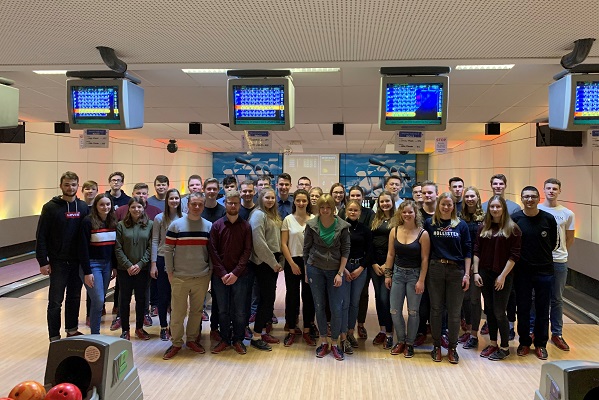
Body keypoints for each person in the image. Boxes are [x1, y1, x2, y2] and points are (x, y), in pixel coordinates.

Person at [36, 171, 89, 341]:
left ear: (77, 186)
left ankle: (72, 329)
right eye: (67, 184)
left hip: (77, 262)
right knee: (55, 301)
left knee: (74, 297)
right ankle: (54, 336)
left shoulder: (82, 208)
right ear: (61, 186)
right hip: (58, 262)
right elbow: (41, 235)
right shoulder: (50, 207)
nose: (70, 187)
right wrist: (43, 261)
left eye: (73, 184)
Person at [162, 192, 212, 360]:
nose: (196, 207)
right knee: (177, 312)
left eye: (200, 204)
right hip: (179, 277)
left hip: (201, 276)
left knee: (197, 311)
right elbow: (167, 250)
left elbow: (212, 253)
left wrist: (210, 272)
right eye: (193, 204)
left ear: (203, 206)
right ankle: (176, 342)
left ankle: (191, 340)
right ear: (187, 205)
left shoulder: (208, 226)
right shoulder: (176, 226)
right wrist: (170, 272)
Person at [473, 195, 522, 361]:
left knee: (500, 312)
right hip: (485, 274)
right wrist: (476, 273)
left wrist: (502, 277)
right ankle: (493, 343)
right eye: (492, 207)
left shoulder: (513, 228)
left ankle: (505, 347)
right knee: (489, 311)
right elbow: (477, 251)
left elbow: (514, 256)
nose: (494, 209)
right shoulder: (483, 227)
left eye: (498, 207)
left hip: (503, 276)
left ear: (503, 209)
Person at [424, 192, 471, 364]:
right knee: (436, 309)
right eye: (443, 204)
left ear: (453, 206)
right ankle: (436, 346)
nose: (446, 207)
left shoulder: (461, 225)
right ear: (439, 205)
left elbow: (467, 250)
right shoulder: (430, 223)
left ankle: (452, 347)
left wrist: (467, 274)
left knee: (454, 312)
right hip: (435, 268)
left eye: (449, 204)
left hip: (456, 270)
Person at [511, 186, 557, 360]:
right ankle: (523, 342)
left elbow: (553, 243)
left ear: (538, 199)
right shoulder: (515, 219)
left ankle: (540, 344)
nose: (529, 200)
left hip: (544, 271)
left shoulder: (548, 219)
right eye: (526, 197)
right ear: (521, 199)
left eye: (532, 197)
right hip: (522, 272)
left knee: (542, 309)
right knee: (522, 308)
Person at [304, 194, 351, 361]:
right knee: (319, 306)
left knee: (336, 307)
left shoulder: (343, 226)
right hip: (315, 268)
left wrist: (340, 273)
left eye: (328, 207)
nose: (325, 210)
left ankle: (335, 343)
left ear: (333, 208)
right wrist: (306, 270)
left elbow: (345, 250)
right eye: (322, 207)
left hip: (334, 271)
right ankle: (323, 341)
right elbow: (306, 249)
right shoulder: (311, 225)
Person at [209, 191, 253, 355]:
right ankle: (225, 339)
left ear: (240, 205)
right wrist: (222, 273)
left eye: (236, 203)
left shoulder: (246, 226)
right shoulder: (217, 226)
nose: (233, 206)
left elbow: (247, 251)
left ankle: (238, 339)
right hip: (220, 276)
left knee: (240, 311)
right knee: (222, 310)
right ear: (225, 204)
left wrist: (235, 273)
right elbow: (212, 251)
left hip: (240, 276)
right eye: (230, 203)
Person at [385, 200, 430, 358]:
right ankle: (401, 340)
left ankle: (410, 343)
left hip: (414, 275)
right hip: (397, 274)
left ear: (415, 213)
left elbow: (425, 259)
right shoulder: (394, 231)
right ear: (400, 214)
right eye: (404, 212)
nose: (407, 215)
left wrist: (421, 280)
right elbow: (390, 254)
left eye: (410, 212)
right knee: (394, 310)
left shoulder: (422, 233)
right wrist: (388, 274)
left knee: (413, 312)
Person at [538, 178, 575, 351]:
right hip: (539, 261)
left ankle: (557, 333)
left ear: (559, 191)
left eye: (555, 188)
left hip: (559, 261)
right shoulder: (536, 210)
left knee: (557, 299)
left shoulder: (567, 214)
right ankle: (534, 331)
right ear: (543, 190)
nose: (551, 191)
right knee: (534, 297)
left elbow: (569, 238)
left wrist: (560, 252)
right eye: (548, 188)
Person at [248, 188, 283, 351]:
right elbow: (259, 243)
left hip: (272, 261)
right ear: (261, 198)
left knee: (269, 299)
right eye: (267, 197)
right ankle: (256, 336)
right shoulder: (258, 215)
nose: (270, 200)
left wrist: (279, 259)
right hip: (262, 263)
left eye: (272, 198)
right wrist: (272, 262)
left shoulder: (273, 215)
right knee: (265, 300)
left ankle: (261, 331)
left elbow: (278, 240)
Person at [281, 189, 317, 347]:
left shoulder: (314, 219)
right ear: (294, 201)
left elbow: (317, 244)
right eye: (298, 200)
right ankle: (291, 330)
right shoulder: (288, 220)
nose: (301, 203)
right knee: (292, 297)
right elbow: (283, 244)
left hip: (310, 262)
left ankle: (308, 329)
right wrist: (292, 264)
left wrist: (308, 264)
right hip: (292, 261)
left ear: (308, 202)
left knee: (309, 297)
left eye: (304, 200)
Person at [114, 197, 153, 341]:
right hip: (125, 270)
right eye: (133, 207)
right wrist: (129, 265)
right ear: (128, 209)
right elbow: (118, 248)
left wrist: (140, 264)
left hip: (142, 269)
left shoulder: (150, 225)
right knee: (124, 300)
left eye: (139, 207)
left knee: (141, 299)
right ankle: (125, 330)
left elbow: (150, 248)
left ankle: (139, 328)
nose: (136, 210)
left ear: (143, 209)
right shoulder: (120, 225)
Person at [79, 193, 117, 335]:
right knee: (99, 299)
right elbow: (82, 249)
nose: (105, 207)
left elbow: (113, 248)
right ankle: (95, 333)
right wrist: (87, 272)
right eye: (101, 204)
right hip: (92, 265)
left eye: (108, 204)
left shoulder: (112, 221)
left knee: (99, 301)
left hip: (107, 265)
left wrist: (114, 266)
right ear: (96, 206)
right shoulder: (87, 222)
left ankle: (96, 332)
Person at [341, 185, 375, 339]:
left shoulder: (365, 230)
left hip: (360, 268)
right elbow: (337, 250)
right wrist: (344, 270)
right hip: (345, 268)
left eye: (356, 210)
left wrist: (361, 268)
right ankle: (342, 332)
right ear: (346, 211)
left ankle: (350, 332)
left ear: (360, 213)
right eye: (350, 210)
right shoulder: (340, 228)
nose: (353, 212)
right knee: (345, 302)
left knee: (355, 302)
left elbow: (369, 251)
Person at [151, 188, 184, 341]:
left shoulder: (185, 218)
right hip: (162, 258)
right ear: (167, 200)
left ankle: (174, 325)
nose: (174, 201)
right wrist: (153, 264)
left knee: (177, 297)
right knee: (163, 296)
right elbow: (155, 241)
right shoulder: (159, 218)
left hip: (179, 260)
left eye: (177, 198)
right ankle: (163, 326)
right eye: (171, 198)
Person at [460, 186, 485, 350]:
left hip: (481, 263)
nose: (469, 199)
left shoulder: (485, 217)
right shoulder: (459, 217)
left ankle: (474, 333)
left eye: (472, 196)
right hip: (463, 263)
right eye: (467, 196)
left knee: (475, 300)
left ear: (477, 198)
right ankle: (469, 330)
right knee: (466, 299)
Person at [369, 190, 395, 349]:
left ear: (392, 202)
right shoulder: (375, 219)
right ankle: (382, 330)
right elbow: (369, 243)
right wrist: (373, 263)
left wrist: (387, 265)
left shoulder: (397, 220)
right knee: (379, 298)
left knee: (386, 299)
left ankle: (390, 333)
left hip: (389, 264)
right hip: (375, 264)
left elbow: (398, 244)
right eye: (382, 201)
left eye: (387, 201)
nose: (384, 204)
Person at [414, 180, 438, 346]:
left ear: (436, 194)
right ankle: (421, 331)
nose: (427, 195)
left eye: (430, 192)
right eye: (424, 193)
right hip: (420, 265)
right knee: (422, 302)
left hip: (439, 265)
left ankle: (438, 332)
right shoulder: (417, 215)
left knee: (438, 302)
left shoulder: (444, 213)